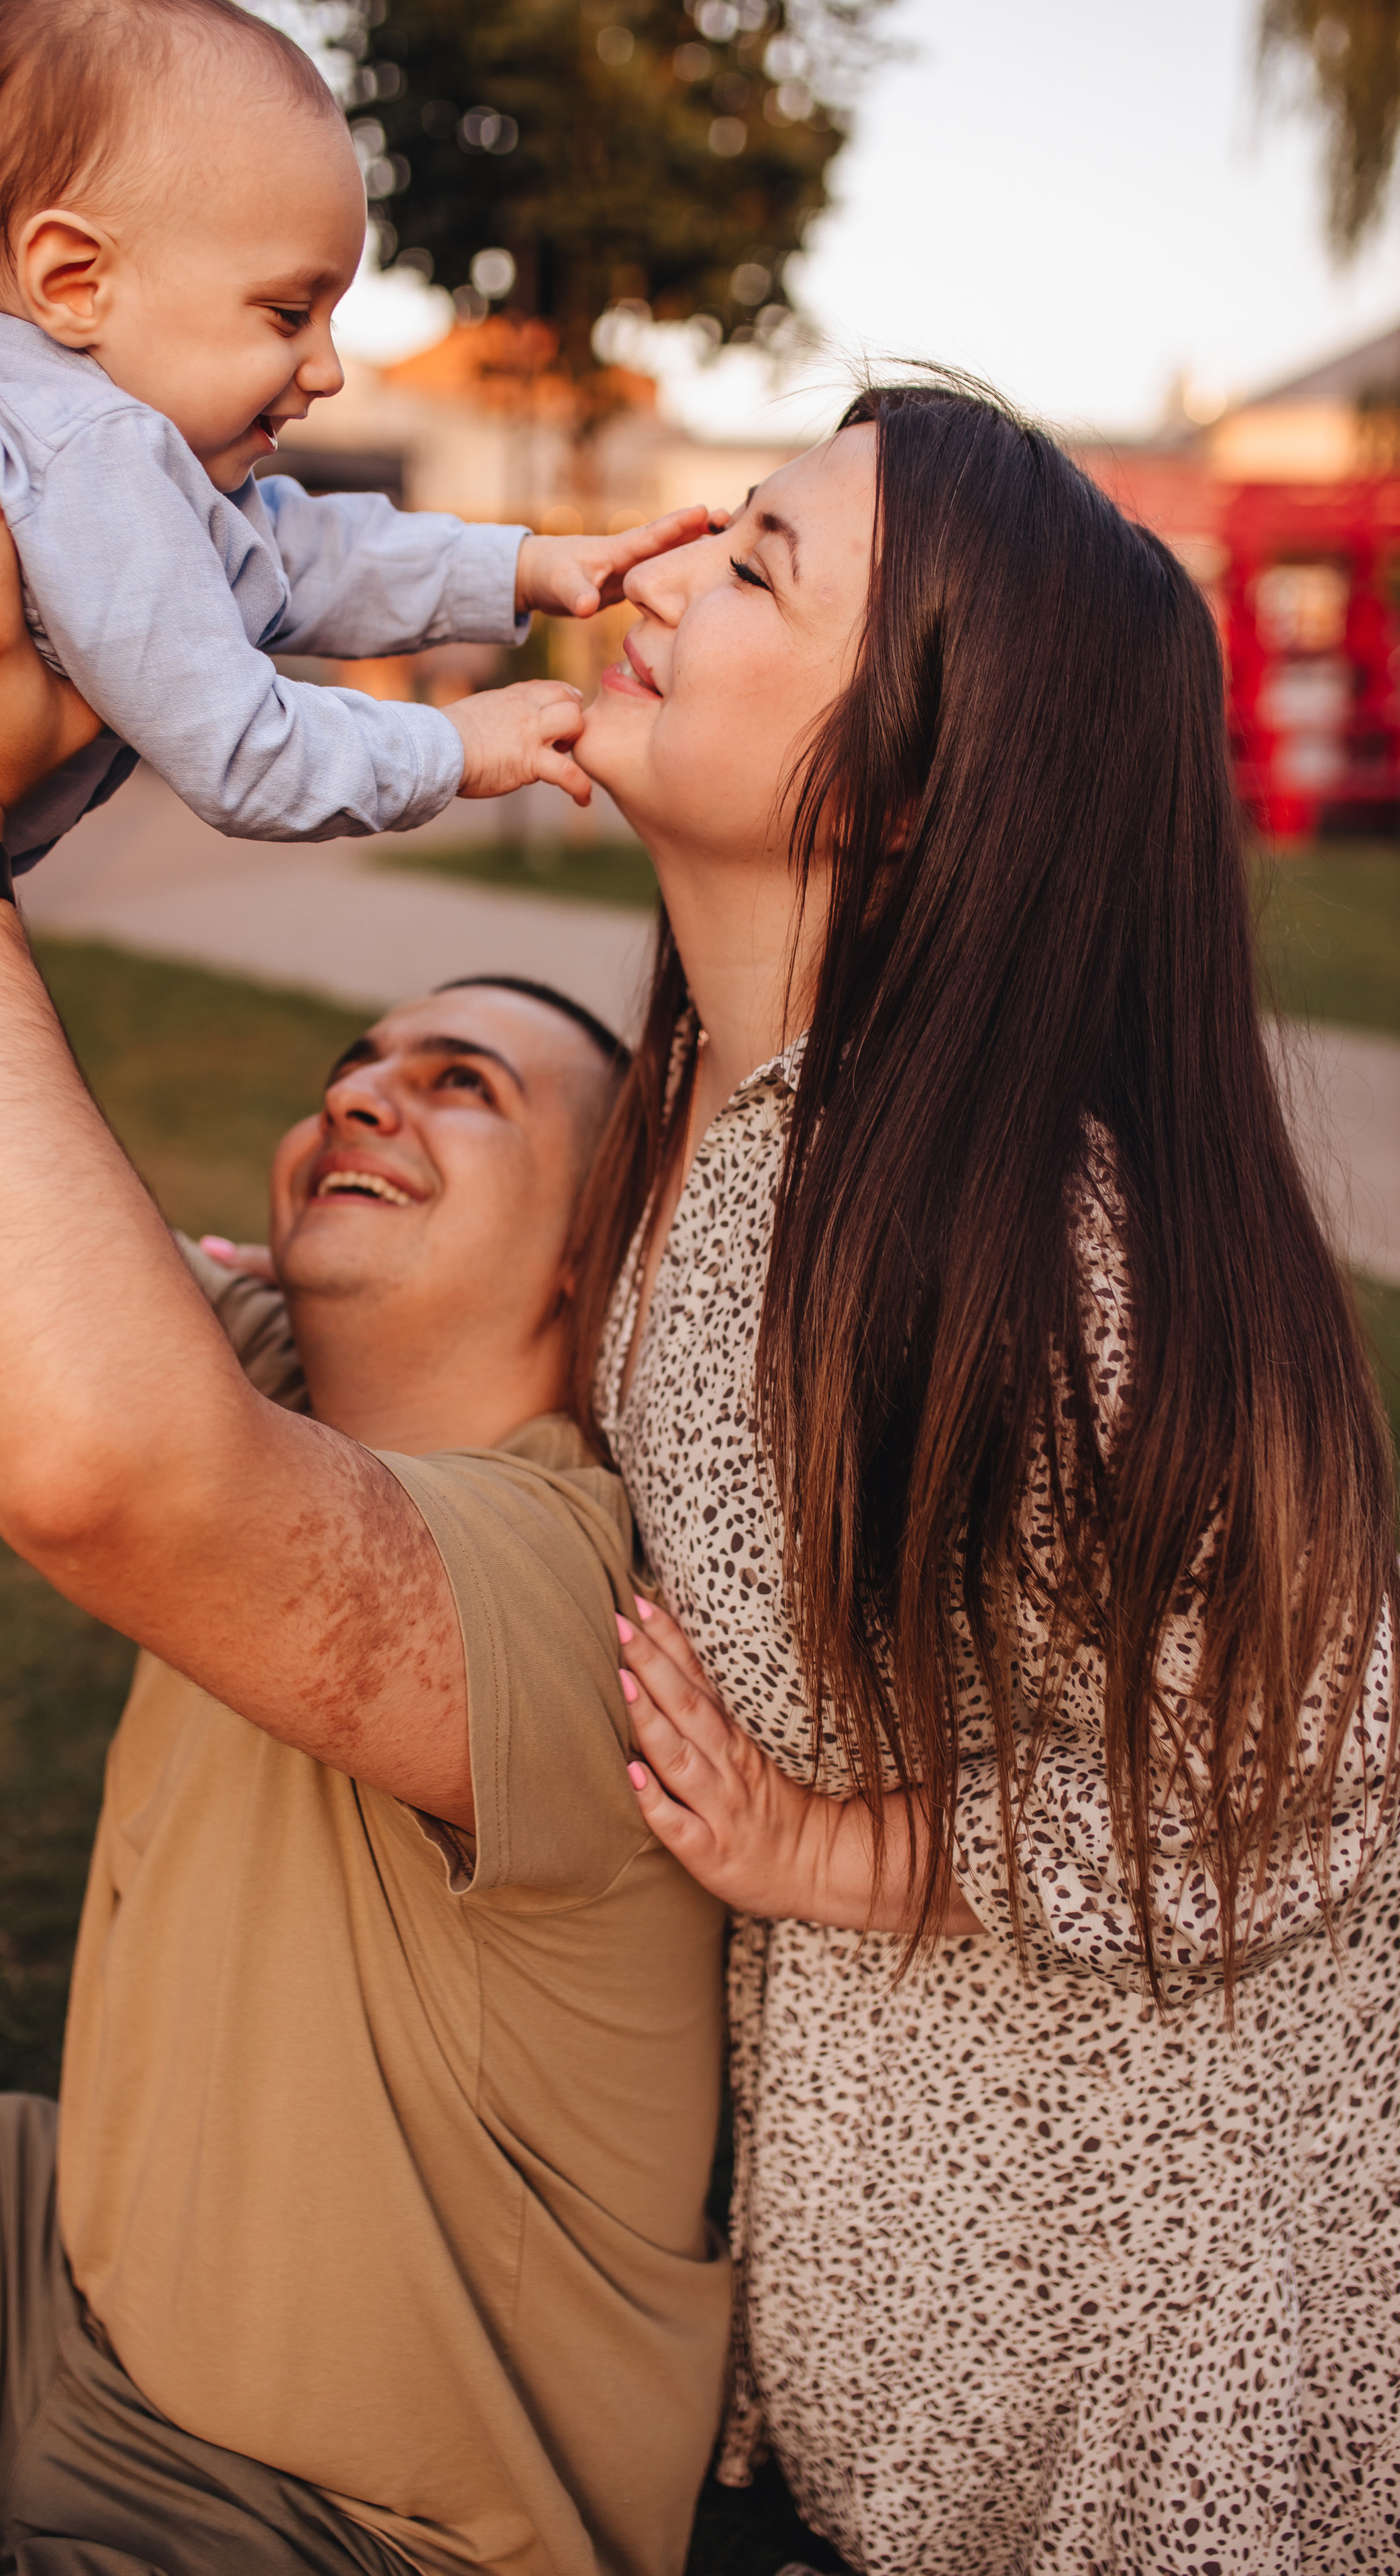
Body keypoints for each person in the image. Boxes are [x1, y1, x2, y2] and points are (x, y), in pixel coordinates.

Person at [0, 432, 731, 2574]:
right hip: (74, 2268)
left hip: (351, 2514)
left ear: (594, 1247)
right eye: (358, 1060)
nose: (364, 1087)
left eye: (465, 1085)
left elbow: (110, 1470)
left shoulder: (573, 1581)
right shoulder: (275, 1382)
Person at [0, 0, 701, 1844]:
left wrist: (521, 568)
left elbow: (304, 555)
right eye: (289, 309)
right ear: (76, 274)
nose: (322, 364)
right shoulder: (84, 466)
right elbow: (239, 740)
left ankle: (110, 1319)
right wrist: (454, 747)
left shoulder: (142, 451)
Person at [563, 385, 1400, 2572]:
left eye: (755, 568)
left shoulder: (1035, 1241)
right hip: (892, 2304)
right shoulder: (701, 1127)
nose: (652, 577)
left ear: (910, 795)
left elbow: (1302, 1765)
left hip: (1144, 2372)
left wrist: (833, 1850)